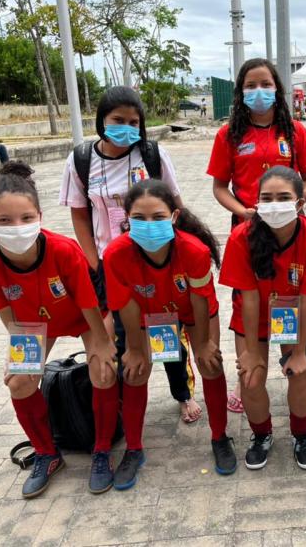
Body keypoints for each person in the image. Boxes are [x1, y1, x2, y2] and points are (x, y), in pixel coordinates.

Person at [0, 161, 120, 497]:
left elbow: (89, 303)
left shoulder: (63, 251)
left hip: (85, 317)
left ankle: (102, 450)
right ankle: (48, 454)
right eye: (3, 221)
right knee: (18, 381)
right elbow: (5, 310)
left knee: (104, 372)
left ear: (40, 217)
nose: (16, 227)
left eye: (26, 218)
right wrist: (20, 354)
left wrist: (104, 343)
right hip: (35, 324)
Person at [59, 86, 202, 423]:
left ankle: (182, 393)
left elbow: (174, 205)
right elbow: (80, 214)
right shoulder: (81, 160)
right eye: (118, 120)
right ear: (101, 120)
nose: (126, 127)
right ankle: (126, 396)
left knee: (168, 331)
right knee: (121, 335)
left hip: (157, 260)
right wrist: (94, 262)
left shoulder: (152, 155)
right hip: (111, 264)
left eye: (134, 121)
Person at [206, 58, 306, 414]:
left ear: (277, 89)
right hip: (249, 228)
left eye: (266, 84)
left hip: (289, 224)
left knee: (300, 295)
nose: (259, 92)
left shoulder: (295, 131)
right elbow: (218, 186)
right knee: (246, 302)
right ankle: (248, 373)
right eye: (251, 85)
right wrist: (243, 212)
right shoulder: (229, 134)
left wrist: (296, 204)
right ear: (241, 92)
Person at [104, 179, 237, 477]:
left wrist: (203, 344)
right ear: (127, 219)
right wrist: (136, 350)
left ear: (175, 217)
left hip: (193, 311)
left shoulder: (194, 251)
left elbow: (200, 302)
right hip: (147, 314)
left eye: (158, 217)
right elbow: (126, 306)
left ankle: (219, 437)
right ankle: (134, 448)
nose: (149, 225)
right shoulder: (115, 254)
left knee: (211, 364)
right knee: (135, 371)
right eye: (139, 218)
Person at [220, 166, 306, 470]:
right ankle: (262, 436)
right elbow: (250, 298)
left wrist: (299, 354)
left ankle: (301, 435)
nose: (274, 204)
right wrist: (253, 355)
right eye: (266, 198)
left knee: (301, 373)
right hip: (251, 315)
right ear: (256, 203)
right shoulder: (240, 237)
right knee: (251, 378)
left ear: (299, 203)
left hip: (294, 314)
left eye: (283, 197)